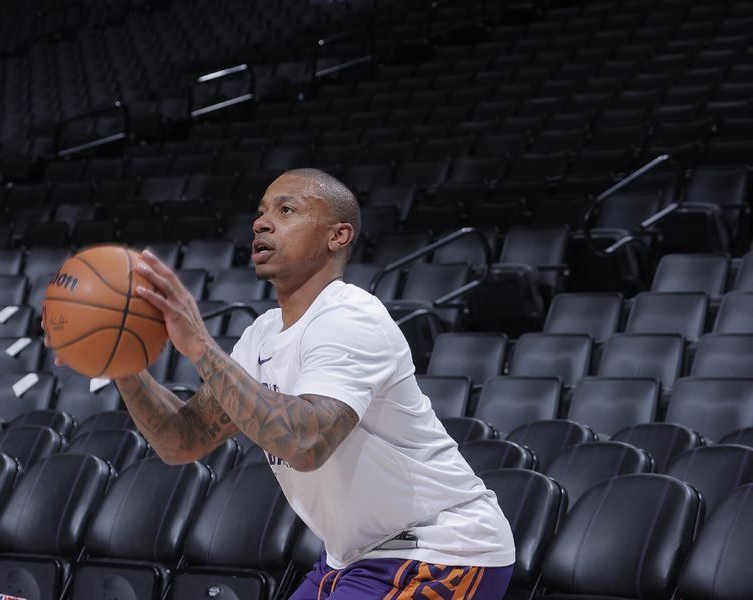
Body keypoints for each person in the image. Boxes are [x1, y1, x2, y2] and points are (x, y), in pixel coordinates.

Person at [51, 168, 515, 599]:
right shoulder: (262, 334)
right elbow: (182, 440)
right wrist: (120, 362)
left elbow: (306, 442)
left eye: (285, 210)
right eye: (260, 212)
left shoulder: (351, 316)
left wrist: (199, 346)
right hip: (351, 557)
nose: (261, 223)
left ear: (338, 236)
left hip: (440, 547)